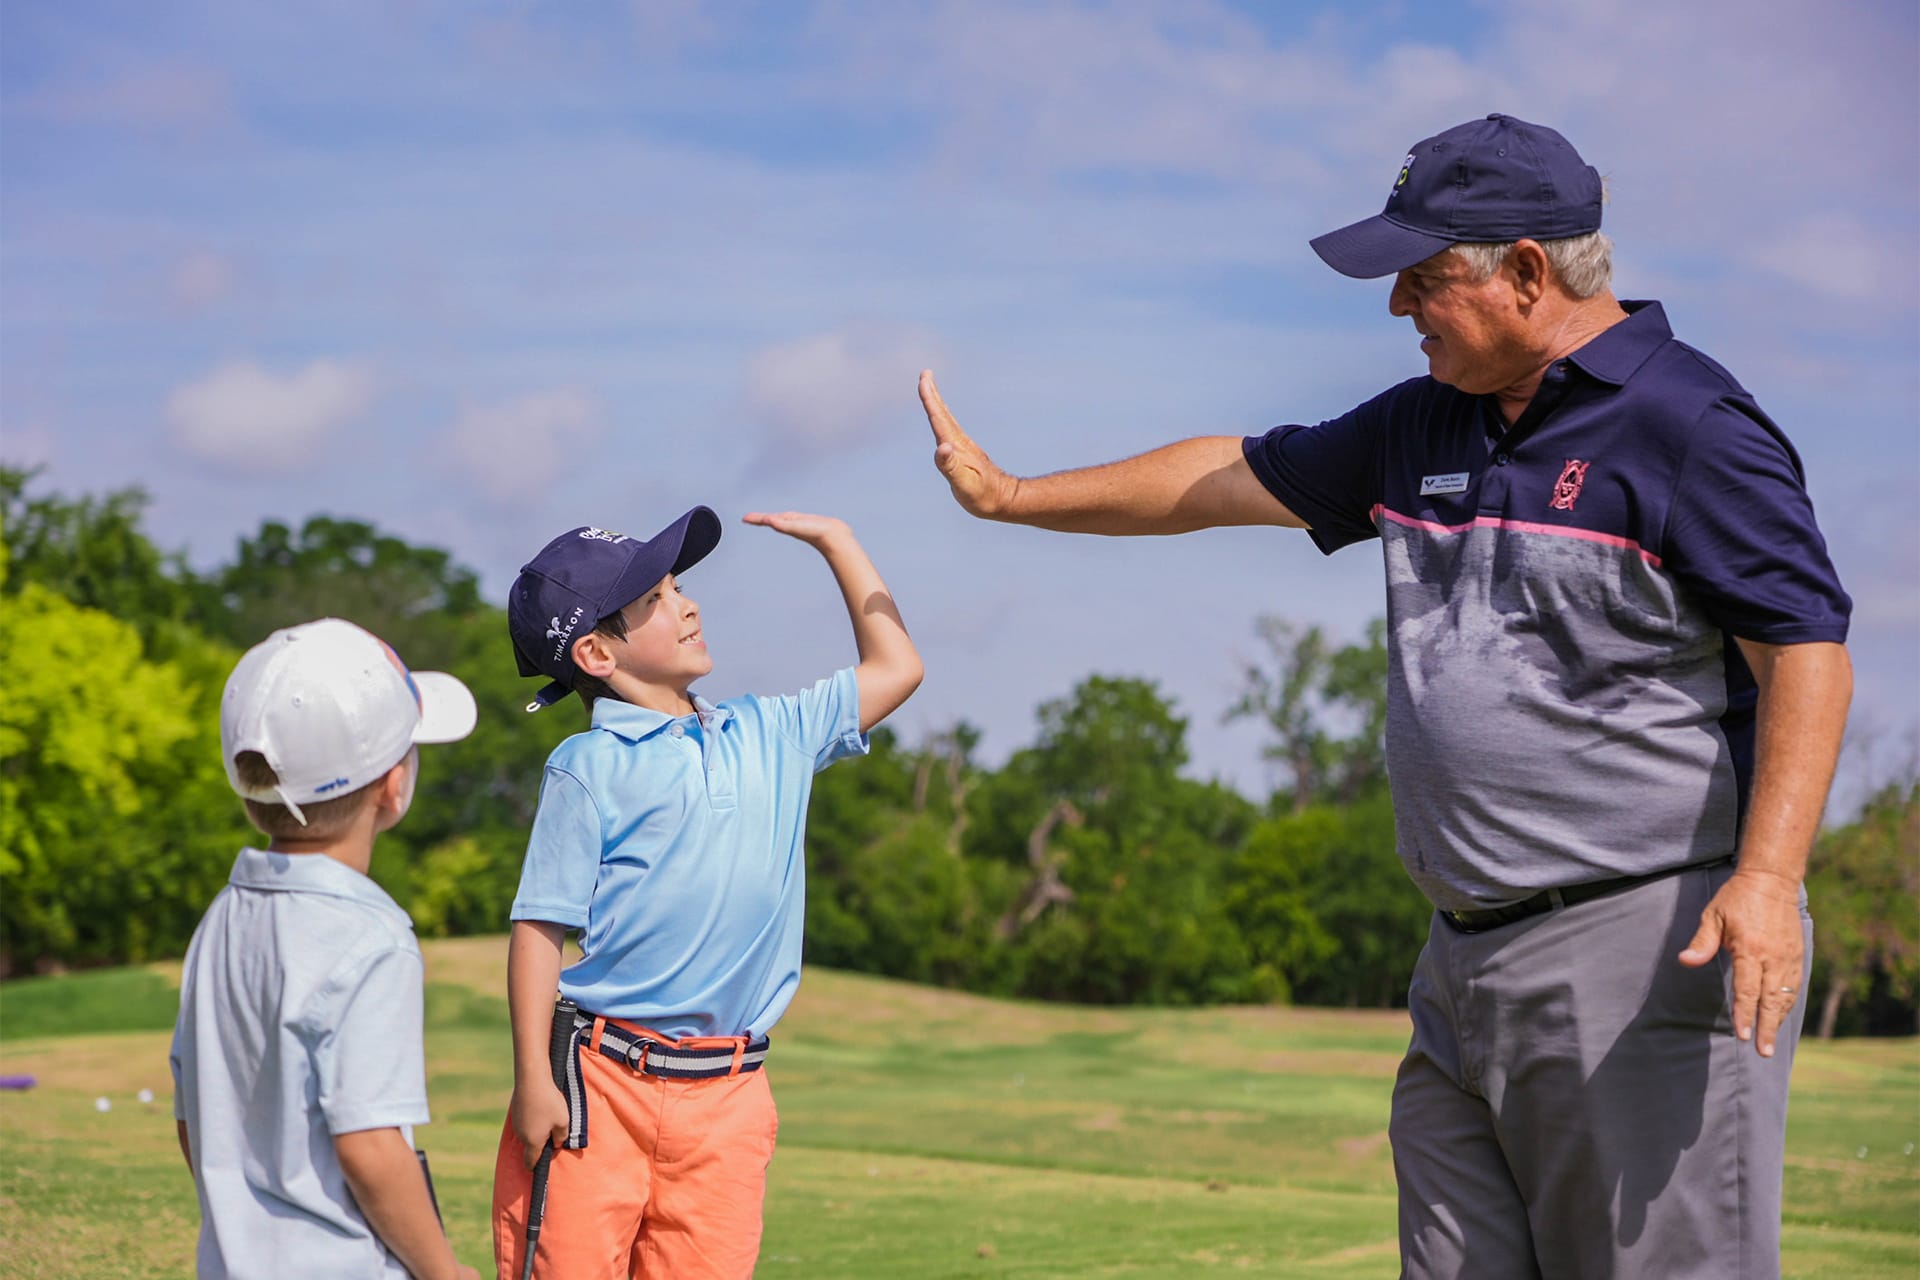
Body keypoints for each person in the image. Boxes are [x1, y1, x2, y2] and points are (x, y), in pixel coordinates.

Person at [916, 113, 1852, 1279]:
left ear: (1526, 270)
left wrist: (1767, 879)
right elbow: (1226, 476)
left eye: (1423, 276)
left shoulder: (1689, 425)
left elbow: (1805, 650)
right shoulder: (1425, 419)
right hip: (1459, 961)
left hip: (1646, 944)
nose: (1398, 304)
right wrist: (1013, 495)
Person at [490, 507, 923, 1279]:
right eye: (655, 599)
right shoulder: (586, 766)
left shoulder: (773, 733)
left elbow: (897, 669)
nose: (687, 605)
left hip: (729, 1099)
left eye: (679, 587)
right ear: (595, 652)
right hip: (597, 1088)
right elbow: (538, 930)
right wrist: (533, 1080)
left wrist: (839, 543)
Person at [171, 617, 482, 1280]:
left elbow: (194, 1119)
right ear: (393, 785)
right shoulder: (374, 938)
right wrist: (444, 1271)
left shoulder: (221, 918)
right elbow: (370, 1147)